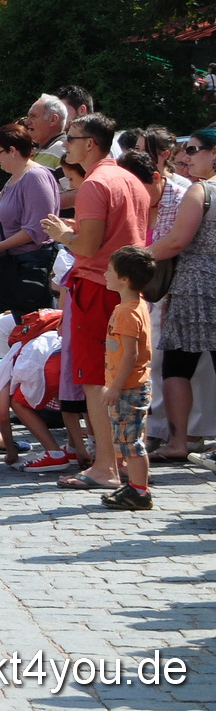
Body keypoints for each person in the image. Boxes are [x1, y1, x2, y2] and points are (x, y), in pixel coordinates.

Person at [41, 113, 150, 492]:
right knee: (122, 377)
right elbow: (117, 234)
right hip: (123, 288)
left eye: (71, 139)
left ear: (90, 143)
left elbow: (88, 246)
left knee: (95, 379)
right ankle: (118, 462)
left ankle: (106, 467)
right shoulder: (128, 178)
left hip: (96, 287)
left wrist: (61, 234)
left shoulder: (94, 183)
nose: (66, 145)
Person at [144, 130, 216, 461]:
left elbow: (176, 242)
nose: (185, 157)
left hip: (196, 288)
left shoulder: (201, 190)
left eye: (192, 150)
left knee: (176, 365)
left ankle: (177, 443)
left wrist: (136, 256)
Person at [0, 123, 59, 321]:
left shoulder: (35, 176)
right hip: (11, 267)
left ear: (12, 151)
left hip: (29, 268)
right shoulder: (15, 177)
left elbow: (38, 229)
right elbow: (7, 224)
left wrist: (0, 245)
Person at [100, 246, 156, 509]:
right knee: (126, 440)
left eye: (109, 271)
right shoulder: (136, 305)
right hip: (131, 385)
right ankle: (134, 485)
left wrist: (115, 387)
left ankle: (140, 492)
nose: (105, 274)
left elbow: (130, 355)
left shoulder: (127, 312)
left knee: (131, 443)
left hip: (129, 388)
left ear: (124, 279)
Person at [26, 93, 73, 216]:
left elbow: (77, 194)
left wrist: (31, 202)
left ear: (53, 120)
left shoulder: (62, 150)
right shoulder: (39, 150)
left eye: (33, 116)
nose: (27, 122)